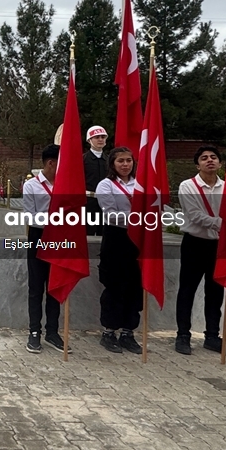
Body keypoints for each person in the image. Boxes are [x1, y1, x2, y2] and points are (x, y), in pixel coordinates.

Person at [176, 145, 226, 357]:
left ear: (220, 163)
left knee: (215, 292)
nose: (209, 160)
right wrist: (224, 224)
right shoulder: (188, 186)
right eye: (204, 158)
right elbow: (195, 216)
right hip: (195, 243)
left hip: (219, 246)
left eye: (213, 157)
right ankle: (183, 335)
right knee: (187, 291)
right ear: (197, 164)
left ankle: (212, 336)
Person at [95, 146, 143, 354]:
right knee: (114, 286)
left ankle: (128, 332)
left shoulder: (140, 184)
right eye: (120, 161)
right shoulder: (106, 185)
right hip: (116, 237)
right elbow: (111, 214)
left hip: (138, 239)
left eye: (129, 161)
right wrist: (138, 217)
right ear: (112, 164)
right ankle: (109, 331)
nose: (125, 164)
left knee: (134, 286)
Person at [21, 144, 67, 354]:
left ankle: (53, 332)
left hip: (60, 237)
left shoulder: (66, 183)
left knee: (55, 286)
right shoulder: (31, 185)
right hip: (38, 237)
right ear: (51, 163)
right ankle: (34, 332)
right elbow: (31, 216)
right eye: (62, 162)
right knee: (36, 287)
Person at [83, 126, 109, 236]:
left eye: (103, 137)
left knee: (104, 233)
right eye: (97, 137)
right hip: (88, 202)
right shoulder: (82, 159)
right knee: (87, 233)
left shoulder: (109, 160)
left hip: (106, 203)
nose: (100, 140)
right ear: (89, 140)